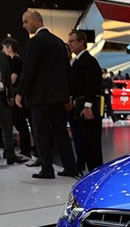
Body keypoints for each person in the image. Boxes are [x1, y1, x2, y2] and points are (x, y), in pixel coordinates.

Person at [15, 10, 77, 179]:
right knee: (61, 133)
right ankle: (71, 168)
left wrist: (20, 92)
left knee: (41, 133)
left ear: (37, 21)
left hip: (40, 99)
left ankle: (47, 169)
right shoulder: (59, 42)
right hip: (58, 98)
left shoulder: (35, 42)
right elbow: (67, 71)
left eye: (26, 22)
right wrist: (68, 95)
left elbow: (29, 69)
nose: (24, 26)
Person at [68, 29, 103, 173]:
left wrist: (88, 106)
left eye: (72, 41)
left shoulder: (88, 61)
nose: (70, 44)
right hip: (80, 104)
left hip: (88, 105)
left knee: (92, 143)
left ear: (81, 42)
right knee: (84, 142)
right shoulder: (78, 61)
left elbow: (92, 85)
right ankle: (90, 172)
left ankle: (96, 173)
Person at [2, 37, 32, 160]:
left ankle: (25, 150)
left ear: (9, 47)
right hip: (18, 95)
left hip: (18, 96)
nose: (3, 51)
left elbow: (13, 79)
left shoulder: (16, 60)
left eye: (4, 48)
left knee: (21, 124)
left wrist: (4, 80)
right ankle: (24, 150)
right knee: (19, 124)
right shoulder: (15, 60)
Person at [0, 50, 26, 165]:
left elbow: (7, 78)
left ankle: (10, 154)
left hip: (2, 96)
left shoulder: (3, 57)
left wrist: (11, 95)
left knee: (7, 125)